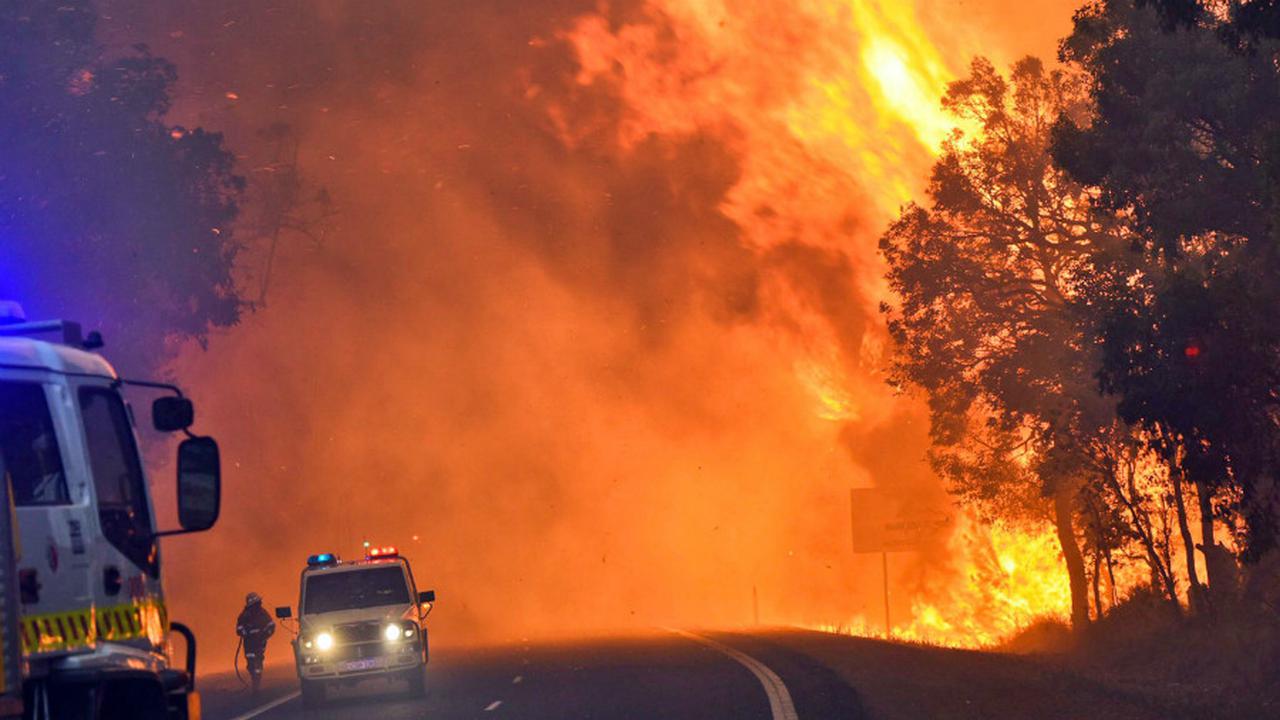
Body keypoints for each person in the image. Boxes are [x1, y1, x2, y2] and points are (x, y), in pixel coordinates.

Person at [236, 592, 276, 693]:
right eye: (257, 603)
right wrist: (245, 633)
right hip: (249, 643)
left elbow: (271, 625)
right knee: (251, 662)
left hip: (260, 642)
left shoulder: (263, 613)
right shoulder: (244, 615)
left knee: (258, 660)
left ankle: (256, 682)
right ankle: (254, 676)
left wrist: (265, 635)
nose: (259, 604)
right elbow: (239, 628)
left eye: (259, 603)